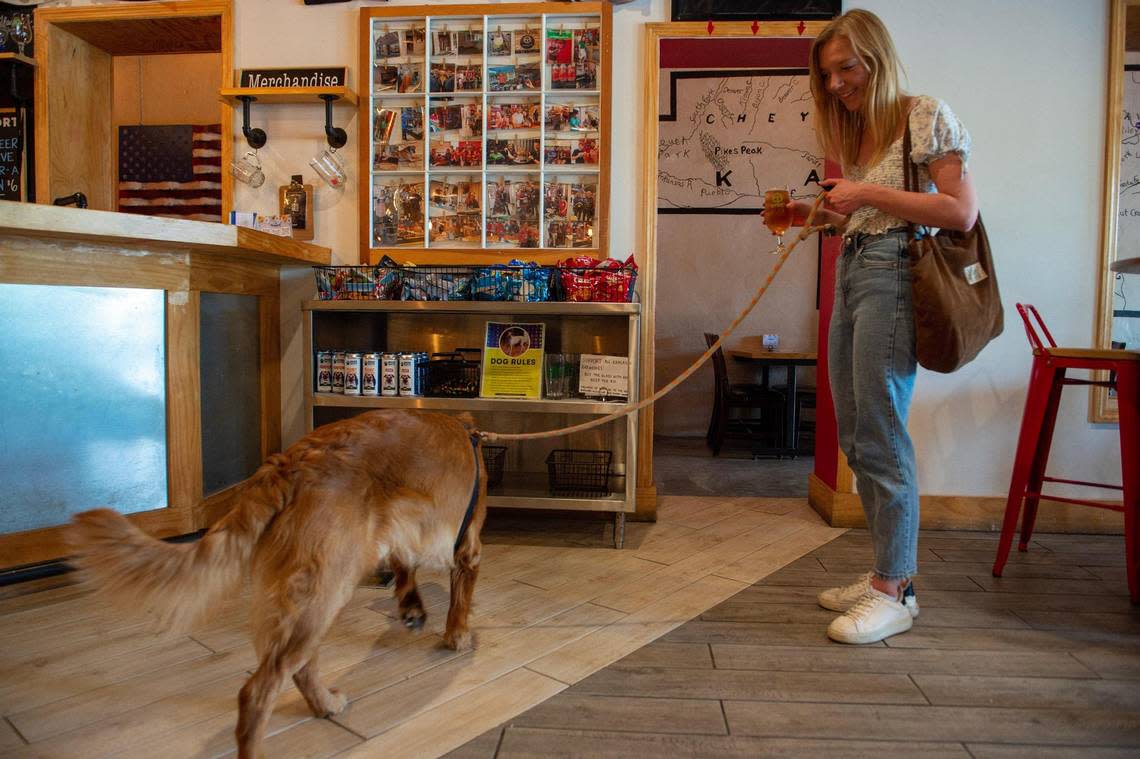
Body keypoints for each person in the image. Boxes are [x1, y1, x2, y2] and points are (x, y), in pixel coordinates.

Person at [779, 9, 977, 645]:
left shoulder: (924, 112)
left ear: (878, 58)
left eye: (847, 68)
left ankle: (896, 588)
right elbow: (865, 215)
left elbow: (959, 212)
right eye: (827, 74)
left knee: (882, 430)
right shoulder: (858, 131)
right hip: (857, 267)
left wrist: (864, 195)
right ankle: (887, 575)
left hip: (895, 273)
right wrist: (811, 214)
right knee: (860, 431)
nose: (836, 84)